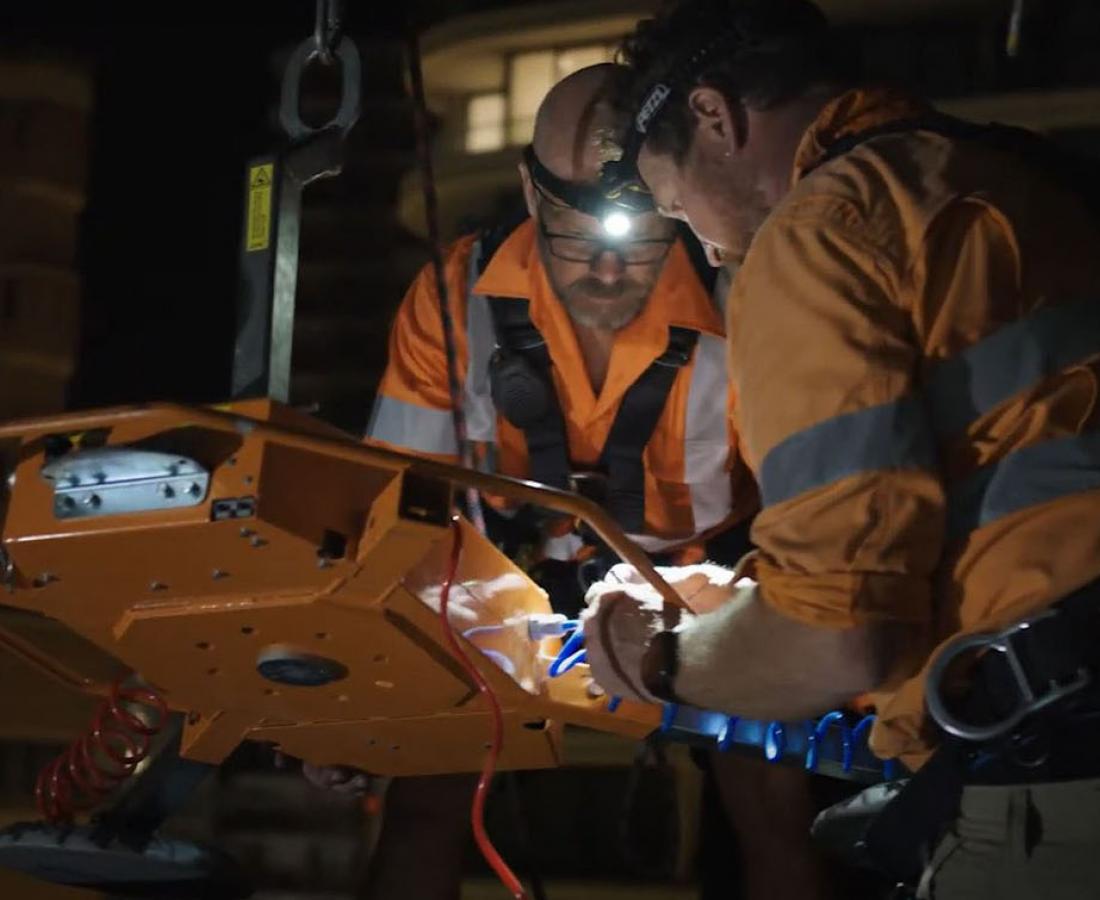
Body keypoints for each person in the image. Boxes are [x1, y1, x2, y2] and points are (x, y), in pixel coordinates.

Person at [581, 1, 1100, 896]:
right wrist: (749, 607)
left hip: (1058, 768)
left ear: (714, 116)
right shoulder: (1020, 173)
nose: (704, 245)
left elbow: (840, 641)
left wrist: (663, 658)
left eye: (679, 204)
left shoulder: (820, 231)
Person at [308, 63, 834, 900]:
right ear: (528, 190)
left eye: (633, 244)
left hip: (705, 575)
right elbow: (393, 512)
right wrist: (350, 689)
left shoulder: (744, 298)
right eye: (571, 233)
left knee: (773, 803)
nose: (604, 271)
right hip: (502, 576)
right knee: (423, 796)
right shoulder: (453, 296)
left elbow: (807, 512)